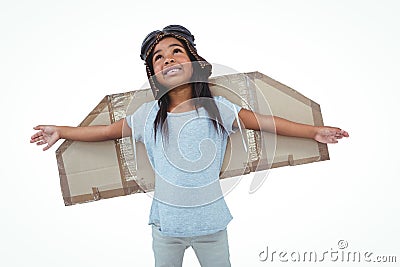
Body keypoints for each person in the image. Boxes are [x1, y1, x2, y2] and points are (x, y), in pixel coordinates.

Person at [30, 25, 349, 267]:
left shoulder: (218, 108)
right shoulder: (148, 115)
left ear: (194, 62)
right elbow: (106, 132)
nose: (167, 58)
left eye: (176, 51)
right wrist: (60, 131)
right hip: (166, 229)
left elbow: (268, 122)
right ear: (153, 75)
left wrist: (314, 132)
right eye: (159, 57)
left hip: (212, 227)